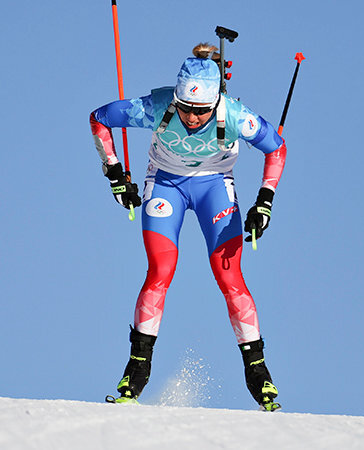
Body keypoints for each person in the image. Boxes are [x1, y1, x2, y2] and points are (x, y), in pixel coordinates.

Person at [90, 43, 287, 410]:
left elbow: (276, 147)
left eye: (200, 111)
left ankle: (258, 372)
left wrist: (265, 201)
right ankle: (137, 369)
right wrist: (115, 173)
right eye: (185, 109)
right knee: (160, 270)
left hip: (214, 185)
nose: (192, 119)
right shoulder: (157, 106)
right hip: (166, 182)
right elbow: (100, 118)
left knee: (229, 275)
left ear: (215, 103)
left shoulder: (235, 114)